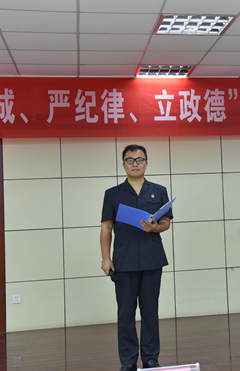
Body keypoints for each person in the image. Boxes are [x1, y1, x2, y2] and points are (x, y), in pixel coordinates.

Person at [100, 144, 172, 371]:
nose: (135, 164)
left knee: (150, 312)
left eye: (139, 159)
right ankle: (128, 361)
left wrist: (155, 228)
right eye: (130, 160)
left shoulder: (159, 190)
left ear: (146, 163)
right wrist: (105, 258)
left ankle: (150, 358)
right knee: (126, 314)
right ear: (123, 165)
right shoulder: (112, 194)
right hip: (124, 260)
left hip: (152, 258)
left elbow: (166, 222)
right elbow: (106, 227)